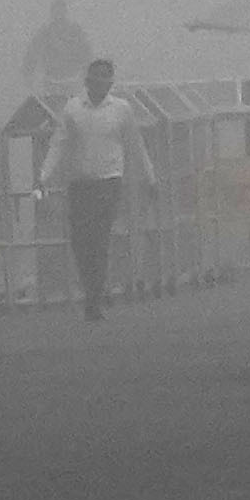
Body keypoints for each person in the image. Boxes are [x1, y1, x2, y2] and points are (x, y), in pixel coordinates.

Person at [54, 55, 147, 321]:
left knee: (99, 238)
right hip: (80, 183)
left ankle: (94, 298)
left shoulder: (122, 109)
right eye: (97, 77)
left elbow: (135, 145)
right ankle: (91, 290)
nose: (102, 82)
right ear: (87, 81)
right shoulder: (73, 109)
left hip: (109, 181)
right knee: (81, 242)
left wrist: (149, 177)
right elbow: (58, 143)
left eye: (107, 77)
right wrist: (42, 176)